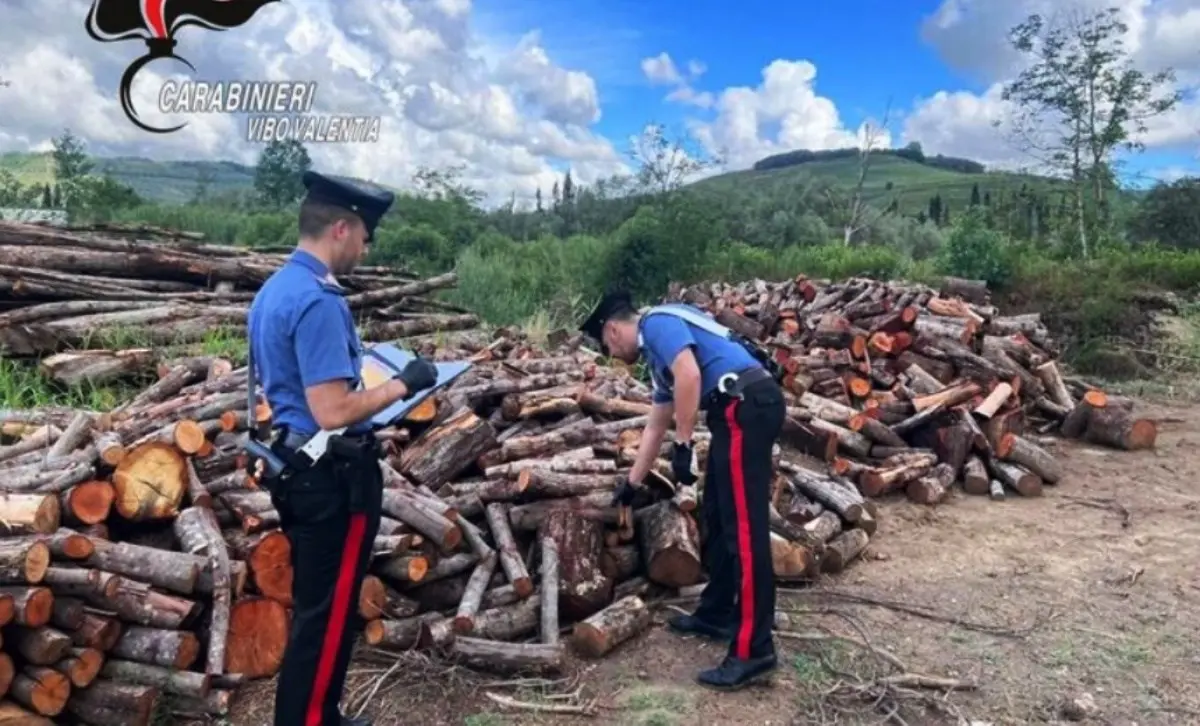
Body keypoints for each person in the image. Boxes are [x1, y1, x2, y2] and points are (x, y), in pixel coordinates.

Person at [247, 171, 439, 726]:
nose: (366, 247)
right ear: (340, 228)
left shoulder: (275, 289)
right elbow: (332, 410)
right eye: (363, 236)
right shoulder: (320, 301)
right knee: (327, 615)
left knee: (318, 609)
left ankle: (321, 713)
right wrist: (405, 383)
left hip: (295, 466)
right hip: (331, 476)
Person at [580, 291, 784, 691]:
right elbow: (656, 426)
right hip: (736, 412)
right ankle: (718, 612)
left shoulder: (656, 324)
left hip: (747, 406)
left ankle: (754, 650)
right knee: (718, 517)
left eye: (607, 346)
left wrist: (686, 445)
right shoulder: (658, 361)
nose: (612, 354)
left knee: (744, 531)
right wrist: (631, 486)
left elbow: (690, 375)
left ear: (612, 329)